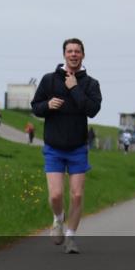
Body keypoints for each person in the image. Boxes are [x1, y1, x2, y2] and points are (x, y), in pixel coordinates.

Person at [31, 38, 102, 254]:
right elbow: (35, 107)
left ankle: (71, 237)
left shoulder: (91, 84)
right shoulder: (49, 80)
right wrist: (47, 105)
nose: (73, 54)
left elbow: (92, 110)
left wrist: (74, 89)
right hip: (54, 146)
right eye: (69, 51)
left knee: (77, 195)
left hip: (78, 147)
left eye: (77, 51)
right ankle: (58, 219)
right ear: (64, 54)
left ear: (83, 55)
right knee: (55, 196)